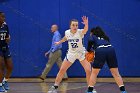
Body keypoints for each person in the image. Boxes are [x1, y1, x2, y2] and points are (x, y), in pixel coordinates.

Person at [47, 16, 92, 93]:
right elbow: (65, 38)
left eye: (76, 25)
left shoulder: (80, 32)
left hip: (81, 53)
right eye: (73, 25)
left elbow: (85, 30)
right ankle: (55, 87)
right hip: (71, 53)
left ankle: (90, 88)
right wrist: (59, 42)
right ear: (70, 26)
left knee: (88, 70)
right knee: (62, 70)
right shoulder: (67, 32)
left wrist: (86, 24)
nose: (75, 27)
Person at [86, 26, 127, 93]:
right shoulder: (105, 37)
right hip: (111, 49)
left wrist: (88, 50)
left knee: (94, 73)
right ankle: (123, 91)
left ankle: (89, 91)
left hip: (100, 50)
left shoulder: (93, 36)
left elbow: (90, 40)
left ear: (92, 32)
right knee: (116, 73)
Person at [0, 11, 13, 92]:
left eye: (4, 17)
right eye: (2, 16)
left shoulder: (5, 25)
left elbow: (8, 36)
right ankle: (0, 84)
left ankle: (5, 81)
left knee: (10, 67)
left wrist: (8, 39)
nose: (4, 18)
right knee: (1, 67)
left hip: (5, 48)